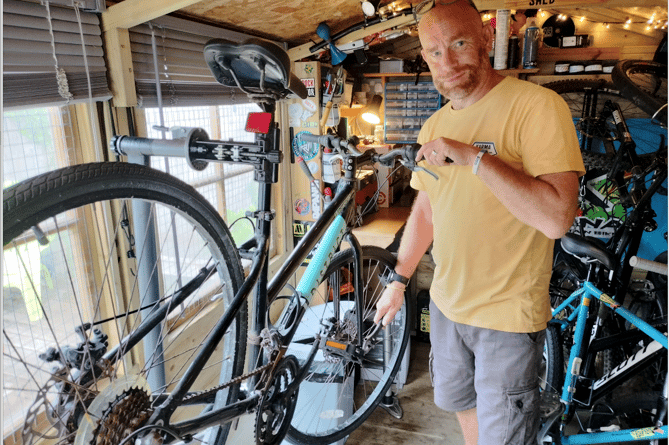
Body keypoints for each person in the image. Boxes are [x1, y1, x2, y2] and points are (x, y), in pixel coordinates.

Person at [373, 1, 585, 444]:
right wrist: (399, 278)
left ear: (488, 37)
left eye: (460, 43)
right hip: (448, 307)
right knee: (463, 407)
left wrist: (473, 157)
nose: (446, 62)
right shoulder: (432, 125)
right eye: (433, 52)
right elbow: (428, 209)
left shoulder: (537, 106)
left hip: (506, 318)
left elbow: (556, 220)